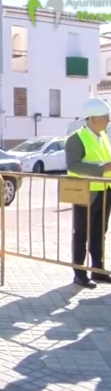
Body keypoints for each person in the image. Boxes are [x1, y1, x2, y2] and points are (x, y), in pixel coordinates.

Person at [66, 97, 111, 288]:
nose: (108, 120)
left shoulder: (103, 136)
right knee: (81, 233)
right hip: (85, 193)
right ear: (92, 118)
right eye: (105, 117)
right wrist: (103, 168)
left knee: (99, 232)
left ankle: (98, 270)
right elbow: (74, 165)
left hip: (104, 191)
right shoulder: (75, 139)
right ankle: (79, 273)